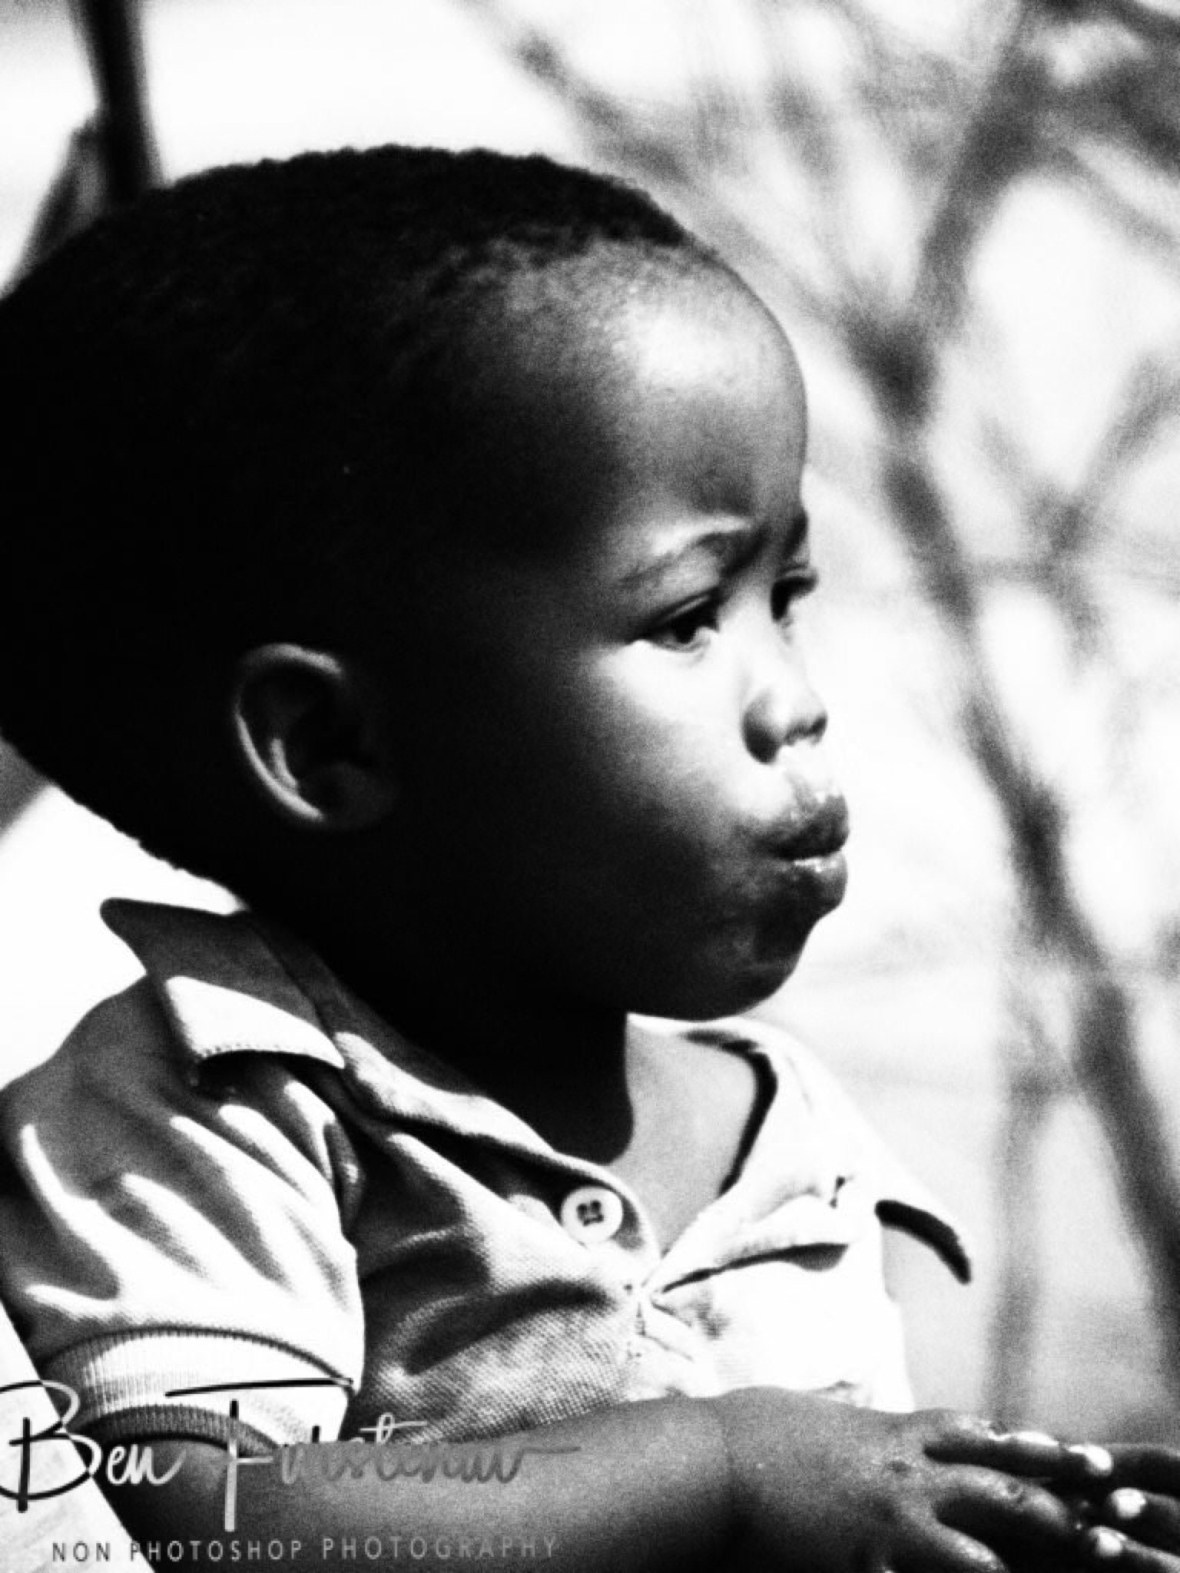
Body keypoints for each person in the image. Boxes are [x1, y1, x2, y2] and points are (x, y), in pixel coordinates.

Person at [0, 145, 1175, 1572]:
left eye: (784, 595)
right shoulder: (213, 1112)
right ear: (328, 745)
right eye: (689, 615)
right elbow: (215, 1511)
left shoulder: (788, 1137)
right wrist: (722, 1466)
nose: (791, 696)